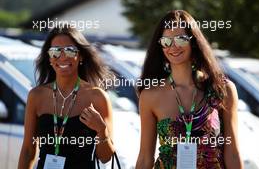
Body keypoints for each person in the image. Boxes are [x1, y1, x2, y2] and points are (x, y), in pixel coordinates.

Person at [136, 10, 243, 169]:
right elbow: (145, 158)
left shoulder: (223, 89)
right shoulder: (150, 96)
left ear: (193, 41)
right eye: (166, 41)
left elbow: (233, 153)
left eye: (180, 39)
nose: (173, 47)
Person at [18, 25, 115, 169]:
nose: (62, 56)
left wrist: (101, 130)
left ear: (80, 56)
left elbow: (106, 157)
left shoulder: (97, 97)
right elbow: (28, 150)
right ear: (49, 58)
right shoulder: (36, 96)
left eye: (70, 50)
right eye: (55, 51)